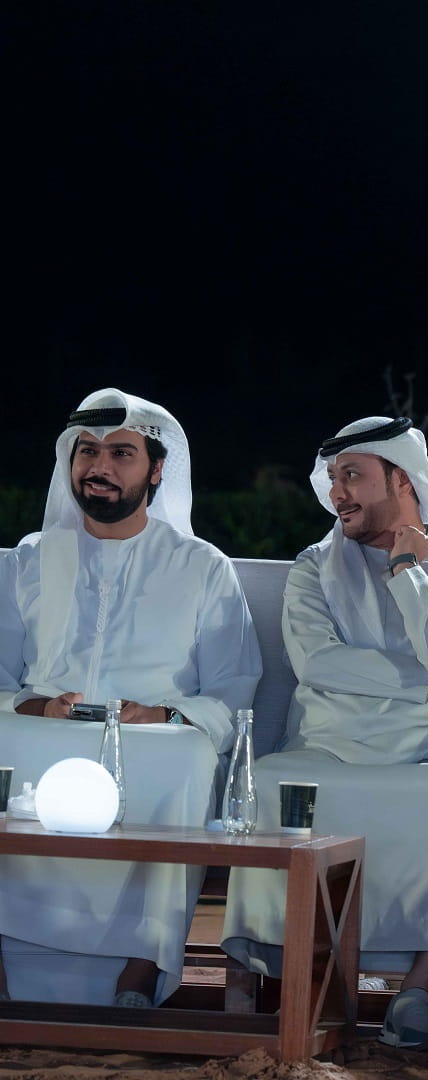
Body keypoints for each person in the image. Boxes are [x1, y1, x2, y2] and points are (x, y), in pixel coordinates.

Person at [221, 416, 428, 1052]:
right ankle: (312, 978)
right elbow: (318, 665)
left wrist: (408, 573)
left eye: (352, 475)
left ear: (401, 480)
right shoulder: (313, 567)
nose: (337, 493)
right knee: (272, 778)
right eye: (332, 478)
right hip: (331, 744)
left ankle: (417, 990)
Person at [0, 389, 262, 1008]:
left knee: (186, 756)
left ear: (157, 469)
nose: (100, 467)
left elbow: (232, 687)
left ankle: (140, 968)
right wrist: (38, 707)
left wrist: (165, 714)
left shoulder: (202, 566)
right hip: (45, 728)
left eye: (121, 453)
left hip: (152, 738)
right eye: (87, 452)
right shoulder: (28, 560)